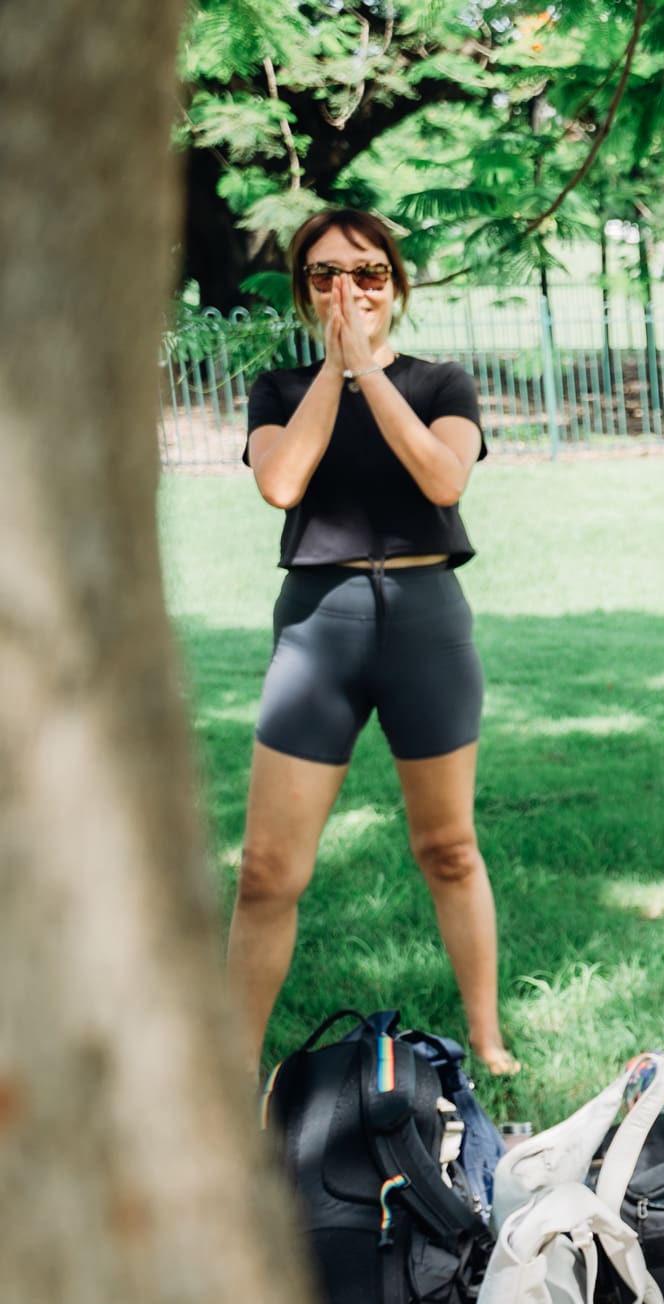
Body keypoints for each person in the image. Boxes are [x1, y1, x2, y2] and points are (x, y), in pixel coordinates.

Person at [231, 207, 514, 1075]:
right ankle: (229, 1062)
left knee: (449, 848)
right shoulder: (280, 391)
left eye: (366, 272)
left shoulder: (443, 383)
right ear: (302, 292)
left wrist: (370, 370)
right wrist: (335, 369)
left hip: (426, 621)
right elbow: (281, 484)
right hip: (320, 625)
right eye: (323, 275)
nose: (346, 290)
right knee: (267, 870)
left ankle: (489, 1040)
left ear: (397, 284)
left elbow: (442, 474)